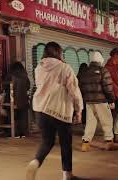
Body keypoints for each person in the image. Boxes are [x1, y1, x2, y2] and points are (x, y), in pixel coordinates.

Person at [26, 42, 83, 180]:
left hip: (41, 109)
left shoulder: (39, 68)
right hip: (60, 110)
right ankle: (67, 175)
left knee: (47, 141)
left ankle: (36, 162)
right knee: (65, 143)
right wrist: (78, 109)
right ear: (59, 53)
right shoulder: (65, 68)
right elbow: (74, 90)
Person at [79, 51, 116, 152]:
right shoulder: (103, 71)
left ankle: (85, 143)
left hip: (89, 101)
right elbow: (108, 87)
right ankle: (109, 142)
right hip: (102, 100)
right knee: (107, 121)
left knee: (90, 122)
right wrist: (111, 100)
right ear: (100, 60)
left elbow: (81, 87)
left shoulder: (85, 72)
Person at [8, 62, 30, 138]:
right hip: (24, 100)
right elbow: (28, 86)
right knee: (23, 117)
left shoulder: (11, 76)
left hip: (14, 100)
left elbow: (8, 87)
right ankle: (22, 133)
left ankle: (15, 133)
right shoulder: (25, 76)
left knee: (14, 116)